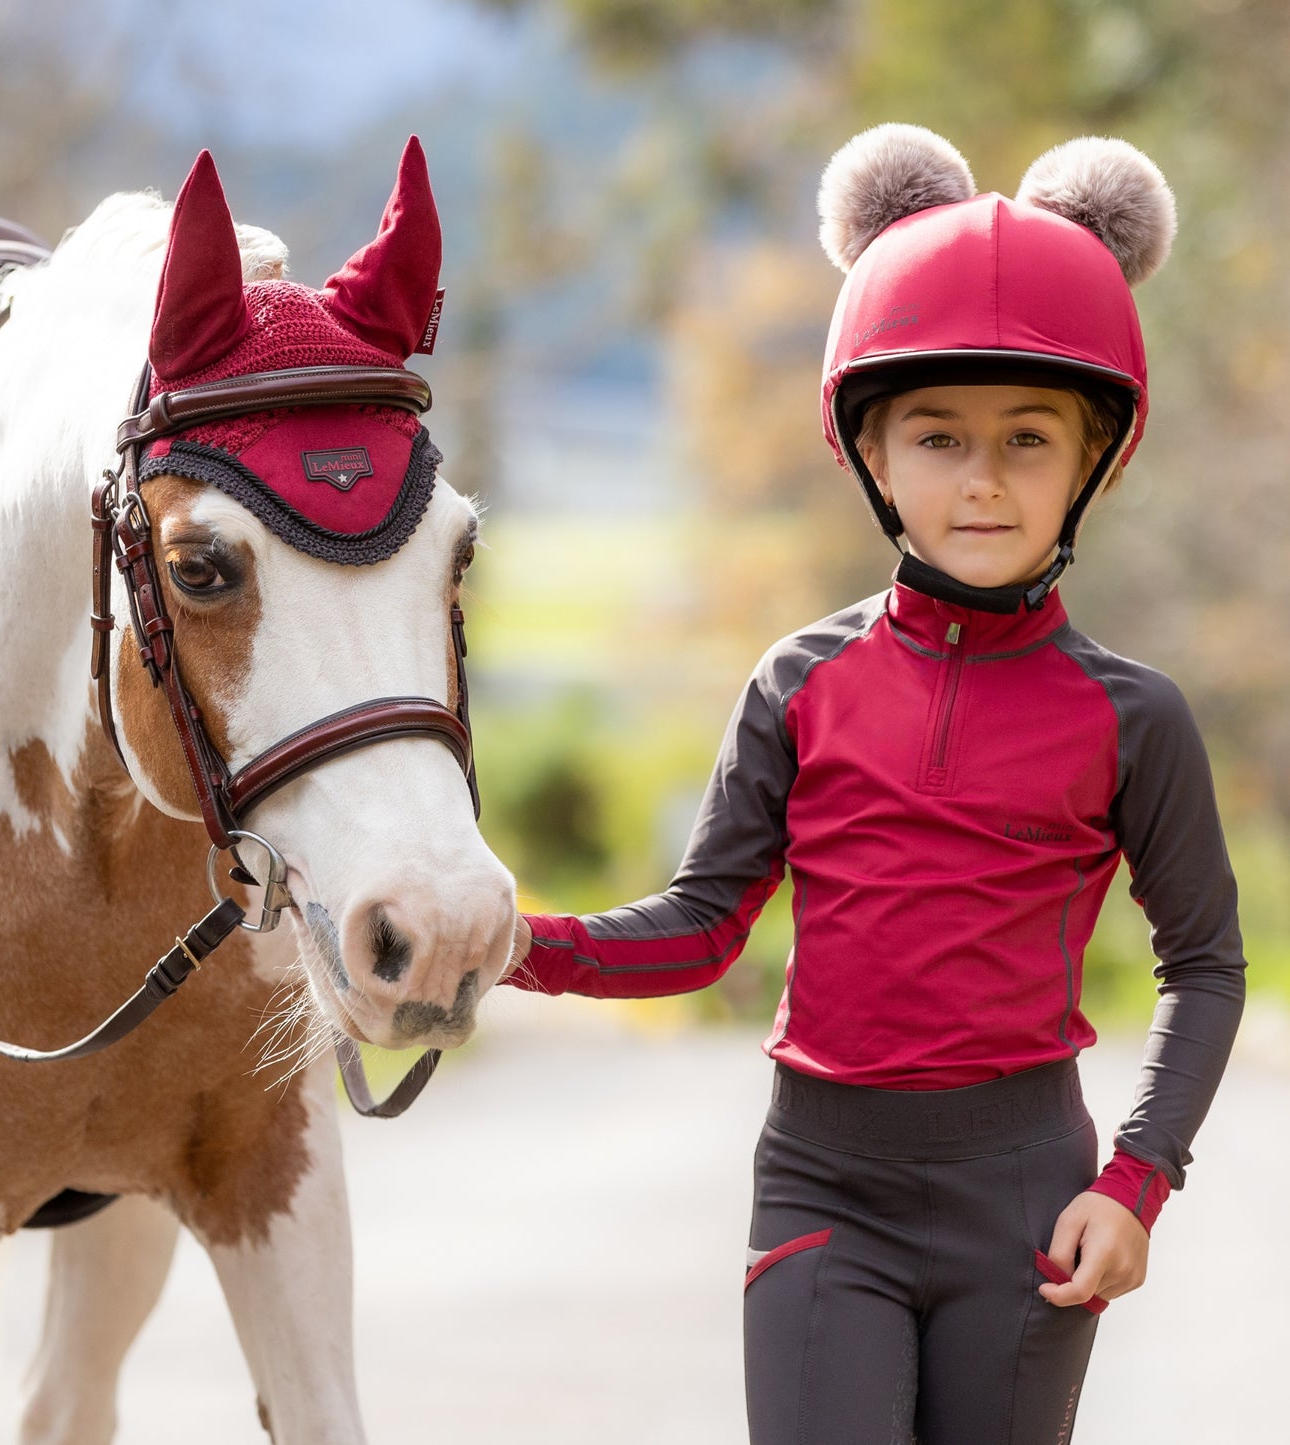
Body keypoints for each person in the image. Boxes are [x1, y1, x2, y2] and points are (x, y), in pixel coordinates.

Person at [503, 124, 1246, 1444]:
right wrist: (509, 946)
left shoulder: (1133, 717)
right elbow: (700, 926)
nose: (980, 478)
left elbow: (1204, 962)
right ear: (871, 450)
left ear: (1093, 459)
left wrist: (1134, 1182)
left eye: (1027, 439)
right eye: (937, 435)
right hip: (820, 1185)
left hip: (1023, 1198)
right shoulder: (799, 681)